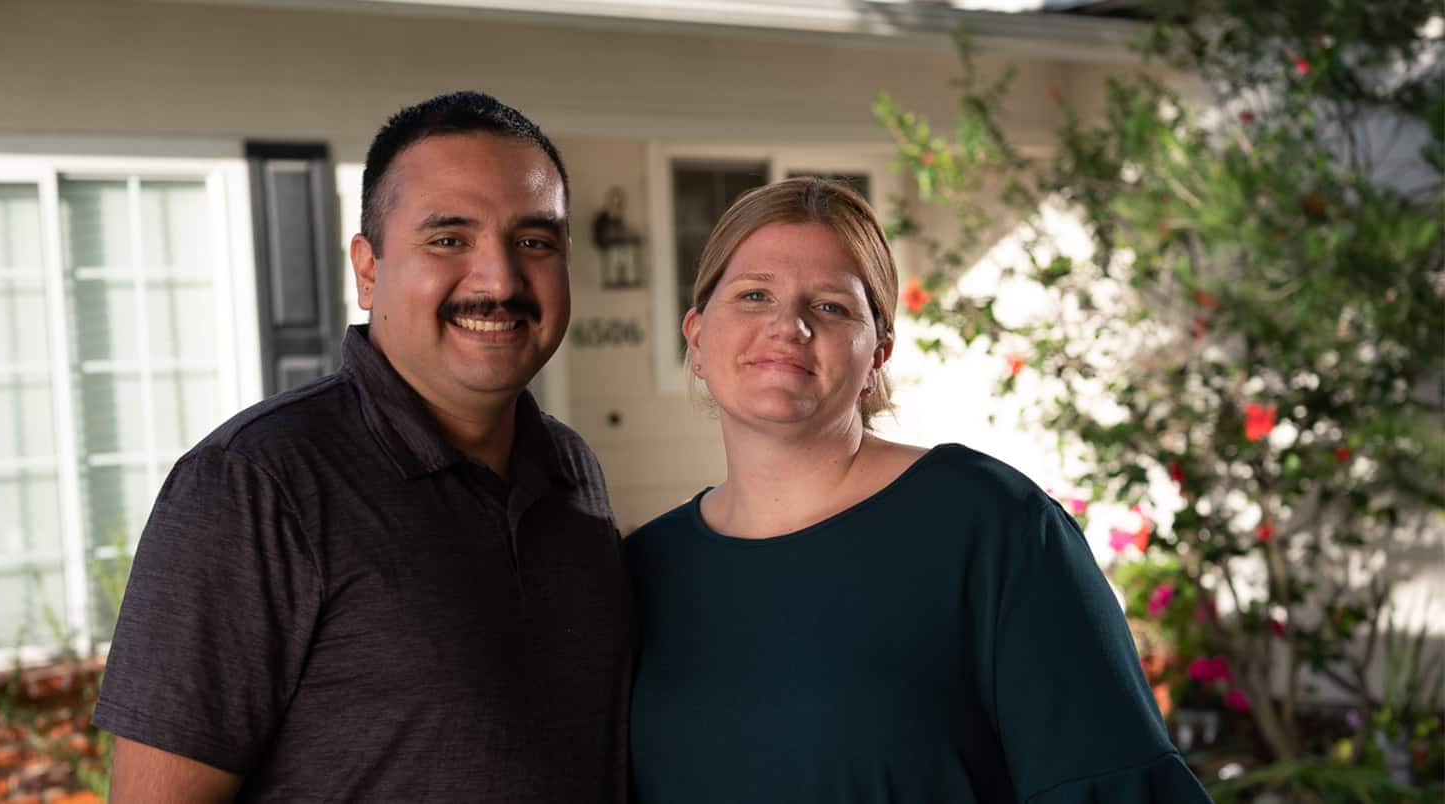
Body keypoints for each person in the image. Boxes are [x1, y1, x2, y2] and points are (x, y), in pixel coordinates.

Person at [92, 91, 632, 803]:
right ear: (368, 269)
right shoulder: (253, 486)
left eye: (535, 241)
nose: (500, 280)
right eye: (448, 240)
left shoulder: (571, 472)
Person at [626, 176, 1214, 803]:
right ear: (695, 335)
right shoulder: (643, 569)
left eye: (829, 306)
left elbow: (1114, 787)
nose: (787, 325)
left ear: (877, 353)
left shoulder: (991, 527)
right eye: (754, 295)